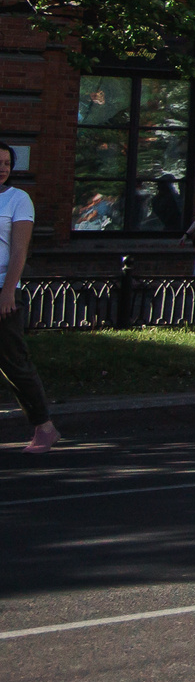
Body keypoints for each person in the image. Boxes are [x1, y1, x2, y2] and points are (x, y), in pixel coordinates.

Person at [0, 146, 57, 454]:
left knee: (13, 363)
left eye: (7, 163)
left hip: (3, 291)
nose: (3, 168)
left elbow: (20, 250)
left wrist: (8, 292)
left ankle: (45, 427)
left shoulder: (18, 200)